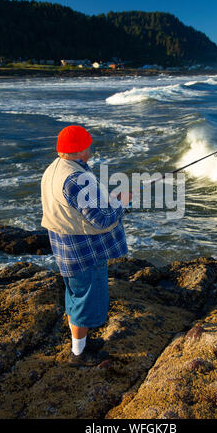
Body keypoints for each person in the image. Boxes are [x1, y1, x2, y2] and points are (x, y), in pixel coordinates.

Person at [40, 125, 131, 366]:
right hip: (83, 252)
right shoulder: (76, 179)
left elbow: (79, 207)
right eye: (88, 145)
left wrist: (107, 199)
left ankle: (80, 344)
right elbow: (101, 220)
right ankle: (79, 355)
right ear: (81, 150)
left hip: (65, 247)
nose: (90, 149)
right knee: (85, 299)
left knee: (76, 295)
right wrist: (122, 203)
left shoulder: (55, 168)